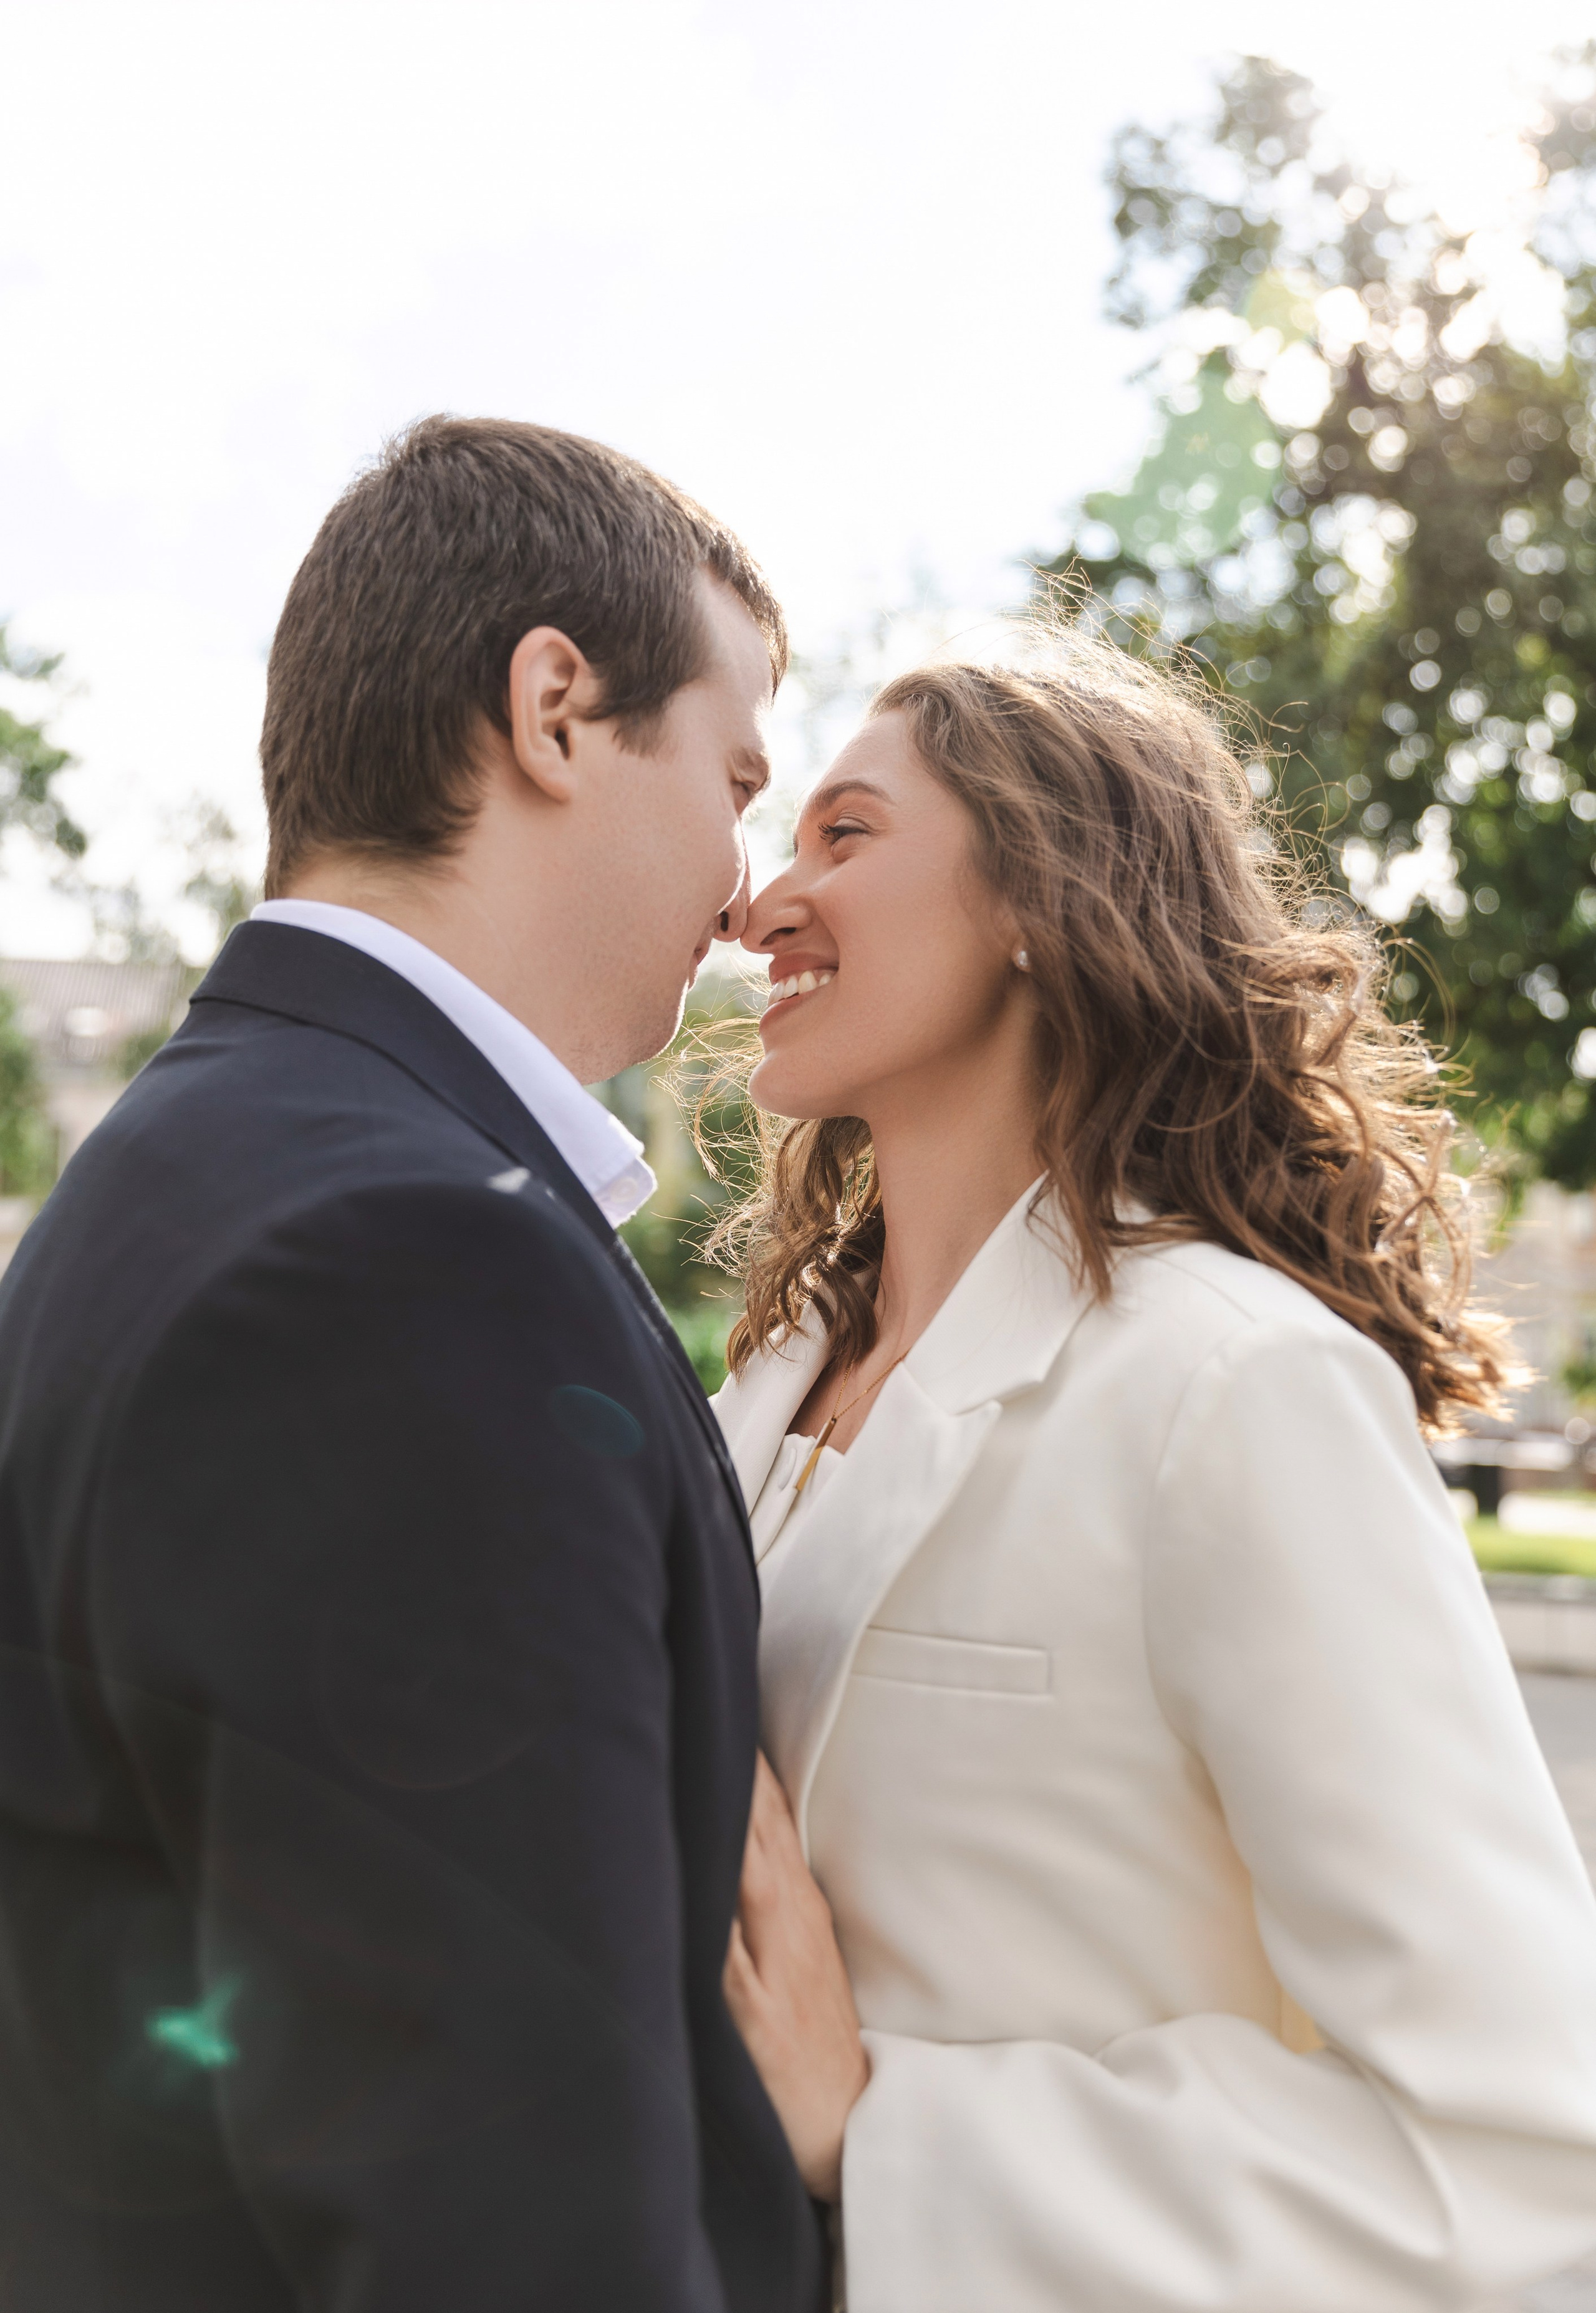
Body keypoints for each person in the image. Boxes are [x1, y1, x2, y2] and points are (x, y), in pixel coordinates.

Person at [0, 417, 824, 2312]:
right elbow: (516, 2233)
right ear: (556, 711)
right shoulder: (413, 1265)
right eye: (735, 778)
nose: (742, 890)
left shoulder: (181, 1164)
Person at [708, 627, 1596, 2311]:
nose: (762, 906)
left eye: (847, 835)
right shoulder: (767, 1388)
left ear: (1035, 898)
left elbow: (1522, 2151)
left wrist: (882, 2127)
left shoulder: (1238, 1388)